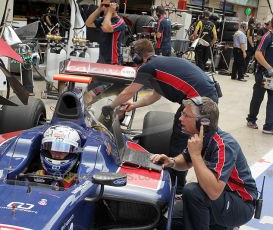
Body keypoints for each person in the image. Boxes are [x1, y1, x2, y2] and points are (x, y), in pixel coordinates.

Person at [102, 39, 219, 194]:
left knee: (180, 139)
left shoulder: (148, 67)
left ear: (139, 57)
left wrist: (109, 108)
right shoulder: (159, 65)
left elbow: (128, 91)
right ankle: (187, 179)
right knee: (198, 139)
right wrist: (133, 105)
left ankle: (176, 186)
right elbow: (155, 96)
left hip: (198, 100)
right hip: (206, 96)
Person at [150, 96, 257, 230]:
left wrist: (196, 154)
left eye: (185, 115)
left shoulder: (224, 145)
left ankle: (226, 225)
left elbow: (214, 192)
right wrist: (171, 162)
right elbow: (186, 160)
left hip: (240, 204)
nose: (180, 118)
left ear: (203, 122)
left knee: (192, 192)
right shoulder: (200, 136)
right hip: (219, 199)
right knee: (167, 220)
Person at [84, 0, 126, 102]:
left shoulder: (120, 22)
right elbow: (88, 23)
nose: (105, 7)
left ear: (114, 6)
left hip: (112, 64)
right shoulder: (104, 19)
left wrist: (110, 12)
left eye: (107, 5)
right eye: (103, 5)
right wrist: (99, 9)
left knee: (94, 95)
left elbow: (107, 28)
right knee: (87, 92)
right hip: (101, 62)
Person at [246, 18, 273, 133]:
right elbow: (257, 53)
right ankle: (251, 119)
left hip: (272, 76)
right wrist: (269, 68)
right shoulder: (267, 37)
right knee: (258, 97)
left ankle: (269, 126)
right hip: (264, 74)